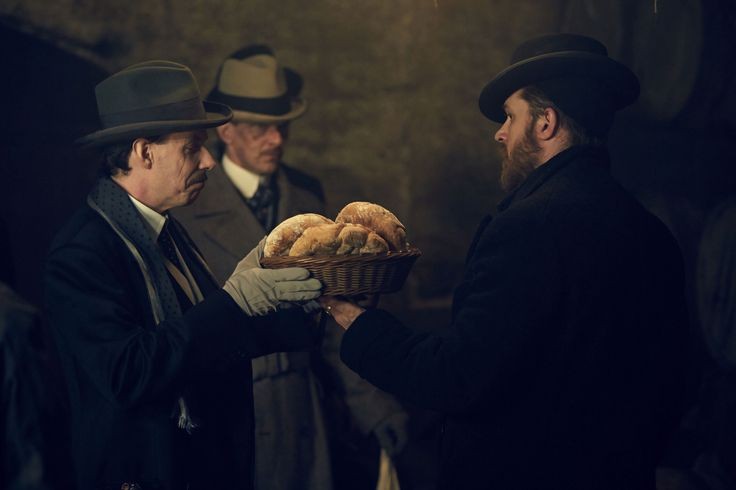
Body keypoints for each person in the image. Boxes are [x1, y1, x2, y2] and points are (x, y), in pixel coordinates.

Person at [321, 33, 694, 490]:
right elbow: (672, 388)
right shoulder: (652, 232)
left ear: (546, 123)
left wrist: (354, 319)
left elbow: (456, 377)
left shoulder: (528, 227)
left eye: (510, 116)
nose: (500, 133)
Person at [44, 60, 323, 490]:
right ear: (144, 152)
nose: (209, 161)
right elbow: (128, 373)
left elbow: (210, 340)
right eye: (192, 148)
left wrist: (314, 304)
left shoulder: (165, 228)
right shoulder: (82, 253)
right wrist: (235, 302)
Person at [174, 45, 408, 490]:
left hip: (303, 411)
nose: (277, 140)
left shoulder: (306, 195)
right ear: (226, 131)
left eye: (282, 126)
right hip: (234, 413)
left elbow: (335, 314)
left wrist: (375, 408)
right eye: (261, 128)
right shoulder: (187, 204)